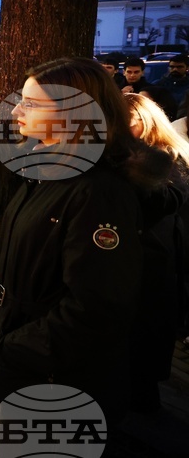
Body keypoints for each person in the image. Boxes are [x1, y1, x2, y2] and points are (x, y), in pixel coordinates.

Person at [0, 57, 167, 456]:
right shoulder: (47, 168)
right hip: (16, 370)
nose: (17, 111)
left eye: (32, 104)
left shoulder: (97, 191)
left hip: (51, 386)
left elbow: (96, 309)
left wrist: (9, 348)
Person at [125, 93, 189, 413]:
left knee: (146, 345)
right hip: (126, 260)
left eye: (127, 124)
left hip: (154, 262)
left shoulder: (170, 154)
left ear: (146, 121)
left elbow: (166, 201)